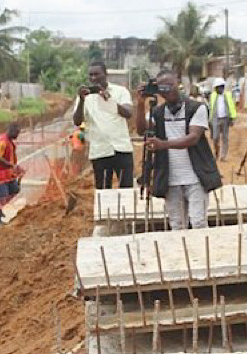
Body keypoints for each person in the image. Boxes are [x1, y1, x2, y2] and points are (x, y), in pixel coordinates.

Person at [135, 70, 222, 229]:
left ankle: (200, 252)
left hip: (196, 177)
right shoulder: (158, 112)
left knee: (198, 223)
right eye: (163, 87)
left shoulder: (196, 108)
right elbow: (141, 130)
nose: (167, 90)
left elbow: (193, 138)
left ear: (178, 83)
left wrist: (163, 144)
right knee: (176, 224)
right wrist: (140, 104)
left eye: (170, 85)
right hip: (171, 178)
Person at [71, 61, 134, 189]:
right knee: (103, 193)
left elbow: (128, 113)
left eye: (96, 74)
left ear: (105, 74)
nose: (93, 78)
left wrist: (109, 100)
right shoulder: (85, 97)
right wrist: (82, 101)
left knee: (126, 190)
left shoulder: (120, 91)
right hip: (100, 152)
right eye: (90, 75)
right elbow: (77, 121)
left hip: (122, 149)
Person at [0, 122, 23, 226]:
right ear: (11, 131)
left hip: (7, 172)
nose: (17, 135)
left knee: (15, 189)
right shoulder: (2, 141)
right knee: (3, 194)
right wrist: (12, 166)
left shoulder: (10, 142)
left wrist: (15, 167)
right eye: (17, 133)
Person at [208, 78, 237, 160]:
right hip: (215, 118)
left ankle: (223, 156)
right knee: (215, 137)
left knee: (225, 138)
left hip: (225, 118)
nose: (217, 89)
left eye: (218, 87)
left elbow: (231, 107)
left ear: (222, 87)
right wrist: (209, 120)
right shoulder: (213, 96)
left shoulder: (228, 95)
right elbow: (211, 108)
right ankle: (216, 152)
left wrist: (232, 118)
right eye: (216, 88)